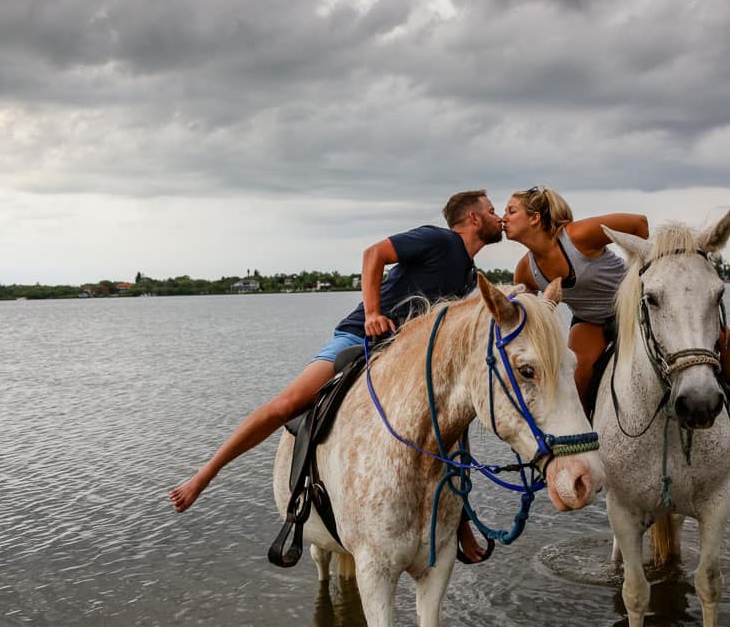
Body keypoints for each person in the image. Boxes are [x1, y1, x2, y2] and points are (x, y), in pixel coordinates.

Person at [169, 189, 503, 562]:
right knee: (289, 403)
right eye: (492, 210)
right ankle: (204, 475)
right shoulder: (438, 239)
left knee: (453, 431)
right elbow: (374, 254)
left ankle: (460, 527)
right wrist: (374, 312)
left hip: (404, 360)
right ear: (473, 219)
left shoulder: (470, 275)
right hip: (361, 337)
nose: (499, 215)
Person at [501, 185, 730, 439]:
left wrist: (644, 268)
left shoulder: (577, 236)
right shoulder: (525, 269)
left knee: (725, 340)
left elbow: (639, 223)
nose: (504, 218)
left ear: (535, 218)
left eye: (511, 211)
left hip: (636, 306)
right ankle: (581, 437)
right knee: (579, 371)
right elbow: (528, 316)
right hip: (591, 321)